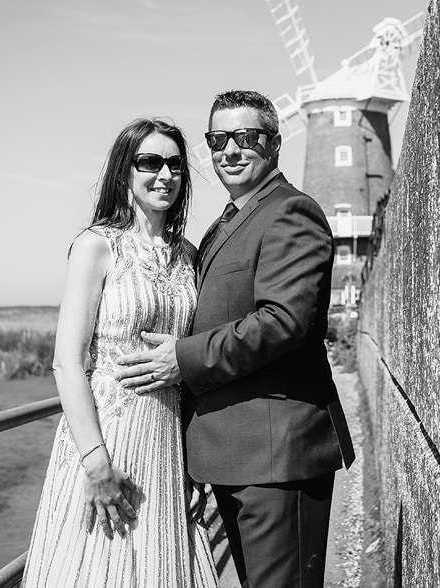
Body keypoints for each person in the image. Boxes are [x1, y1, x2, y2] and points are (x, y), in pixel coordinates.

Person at [117, 89, 355, 588]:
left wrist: (182, 359)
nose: (230, 149)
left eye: (245, 137)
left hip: (277, 453)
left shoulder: (291, 212)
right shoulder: (224, 224)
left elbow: (282, 320)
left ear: (273, 143)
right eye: (218, 138)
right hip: (230, 452)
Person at [22, 118, 218, 588]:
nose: (164, 175)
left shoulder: (189, 256)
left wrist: (197, 470)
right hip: (107, 438)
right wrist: (96, 461)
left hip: (168, 441)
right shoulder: (96, 246)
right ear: (124, 172)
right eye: (149, 162)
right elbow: (67, 363)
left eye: (174, 164)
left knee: (161, 566)